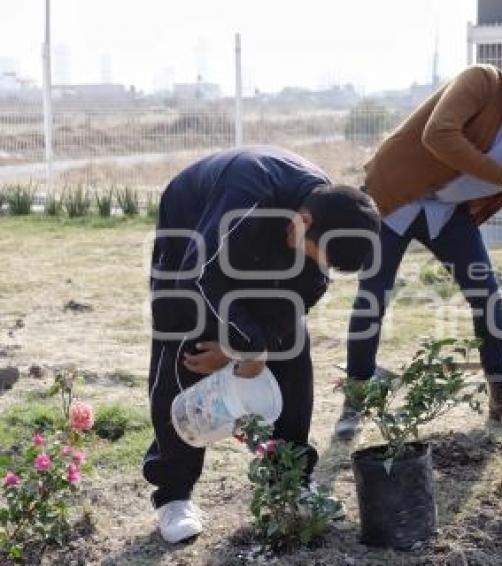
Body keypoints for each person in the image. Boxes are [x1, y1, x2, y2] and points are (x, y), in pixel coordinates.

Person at [337, 52, 502, 438]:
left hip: (447, 212)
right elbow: (439, 134)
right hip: (396, 195)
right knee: (374, 294)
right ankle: (357, 396)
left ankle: (501, 399)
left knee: (487, 295)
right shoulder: (482, 82)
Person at [143, 146, 380, 543]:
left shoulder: (328, 218)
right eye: (313, 251)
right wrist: (243, 347)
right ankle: (173, 495)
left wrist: (247, 348)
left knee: (292, 348)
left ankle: (288, 477)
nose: (314, 263)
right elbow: (199, 274)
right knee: (186, 342)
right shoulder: (248, 190)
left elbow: (302, 296)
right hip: (192, 226)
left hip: (257, 239)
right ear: (304, 220)